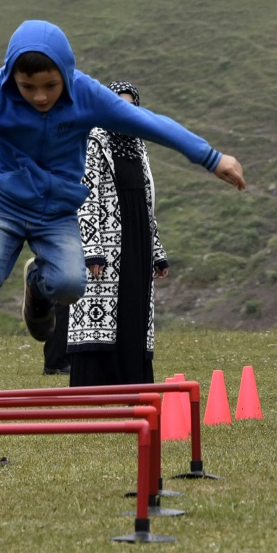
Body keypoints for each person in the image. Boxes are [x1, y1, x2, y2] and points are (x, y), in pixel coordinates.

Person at [0, 20, 245, 408]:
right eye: (28, 88)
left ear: (65, 74)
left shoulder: (86, 93)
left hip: (57, 212)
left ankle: (37, 290)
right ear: (14, 77)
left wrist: (210, 157)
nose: (39, 97)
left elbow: (149, 123)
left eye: (49, 86)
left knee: (70, 285)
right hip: (3, 205)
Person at [65, 83, 172, 389]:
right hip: (107, 239)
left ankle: (133, 382)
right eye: (118, 104)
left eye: (130, 106)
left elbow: (147, 200)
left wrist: (157, 251)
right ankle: (96, 384)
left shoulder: (139, 144)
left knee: (134, 305)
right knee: (100, 313)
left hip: (137, 234)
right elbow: (85, 197)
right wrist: (92, 249)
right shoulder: (94, 140)